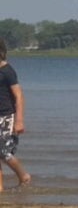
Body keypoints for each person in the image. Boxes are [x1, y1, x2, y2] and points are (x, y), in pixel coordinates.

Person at [0, 39, 30, 192]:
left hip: (6, 116)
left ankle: (23, 175)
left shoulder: (7, 71)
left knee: (4, 152)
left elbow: (18, 95)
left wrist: (19, 120)